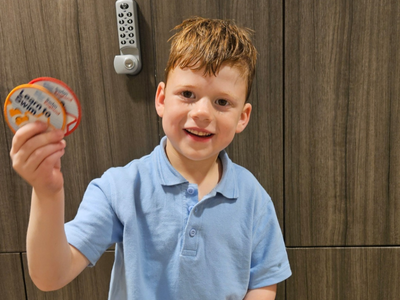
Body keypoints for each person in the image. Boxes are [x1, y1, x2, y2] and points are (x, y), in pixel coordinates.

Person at [10, 17, 291, 300]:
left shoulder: (253, 198)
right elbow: (50, 276)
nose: (203, 112)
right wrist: (47, 193)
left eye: (222, 102)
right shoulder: (120, 187)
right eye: (188, 94)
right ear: (161, 99)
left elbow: (264, 281)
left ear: (242, 117)